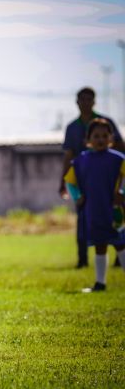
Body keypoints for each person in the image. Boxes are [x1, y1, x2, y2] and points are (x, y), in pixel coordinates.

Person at [59, 87, 125, 268]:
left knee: (116, 227)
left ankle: (120, 260)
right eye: (82, 99)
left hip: (109, 188)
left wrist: (119, 187)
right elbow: (69, 157)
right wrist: (65, 185)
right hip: (88, 187)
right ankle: (83, 260)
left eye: (89, 99)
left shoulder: (105, 124)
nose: (100, 139)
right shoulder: (73, 130)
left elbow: (121, 148)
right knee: (87, 224)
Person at [64, 118, 125, 292]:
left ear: (111, 138)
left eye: (104, 136)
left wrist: (122, 192)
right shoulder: (81, 161)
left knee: (121, 243)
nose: (100, 139)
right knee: (100, 245)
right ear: (88, 140)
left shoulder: (118, 159)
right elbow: (70, 182)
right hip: (94, 211)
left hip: (114, 210)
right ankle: (100, 283)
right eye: (96, 136)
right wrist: (78, 197)